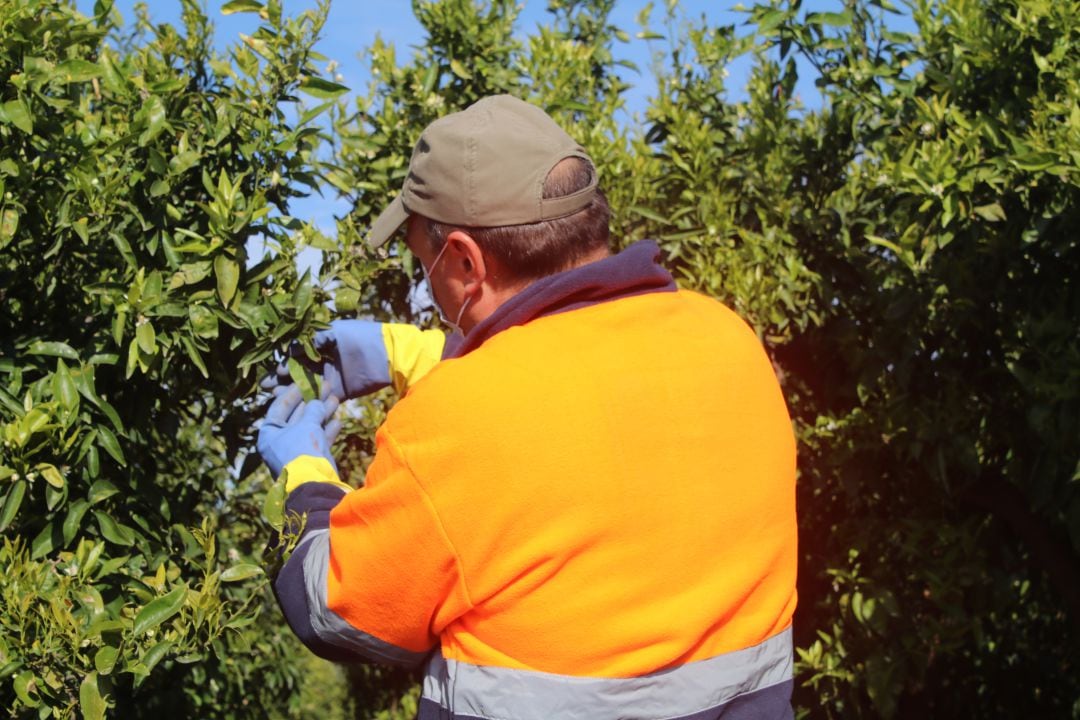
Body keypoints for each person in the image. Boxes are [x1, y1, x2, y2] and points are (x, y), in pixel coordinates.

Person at [257, 94, 798, 719]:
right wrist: (417, 351)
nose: (427, 282)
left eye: (421, 260)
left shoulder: (456, 418)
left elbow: (336, 611)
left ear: (464, 259)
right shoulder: (727, 338)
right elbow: (585, 392)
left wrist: (304, 480)